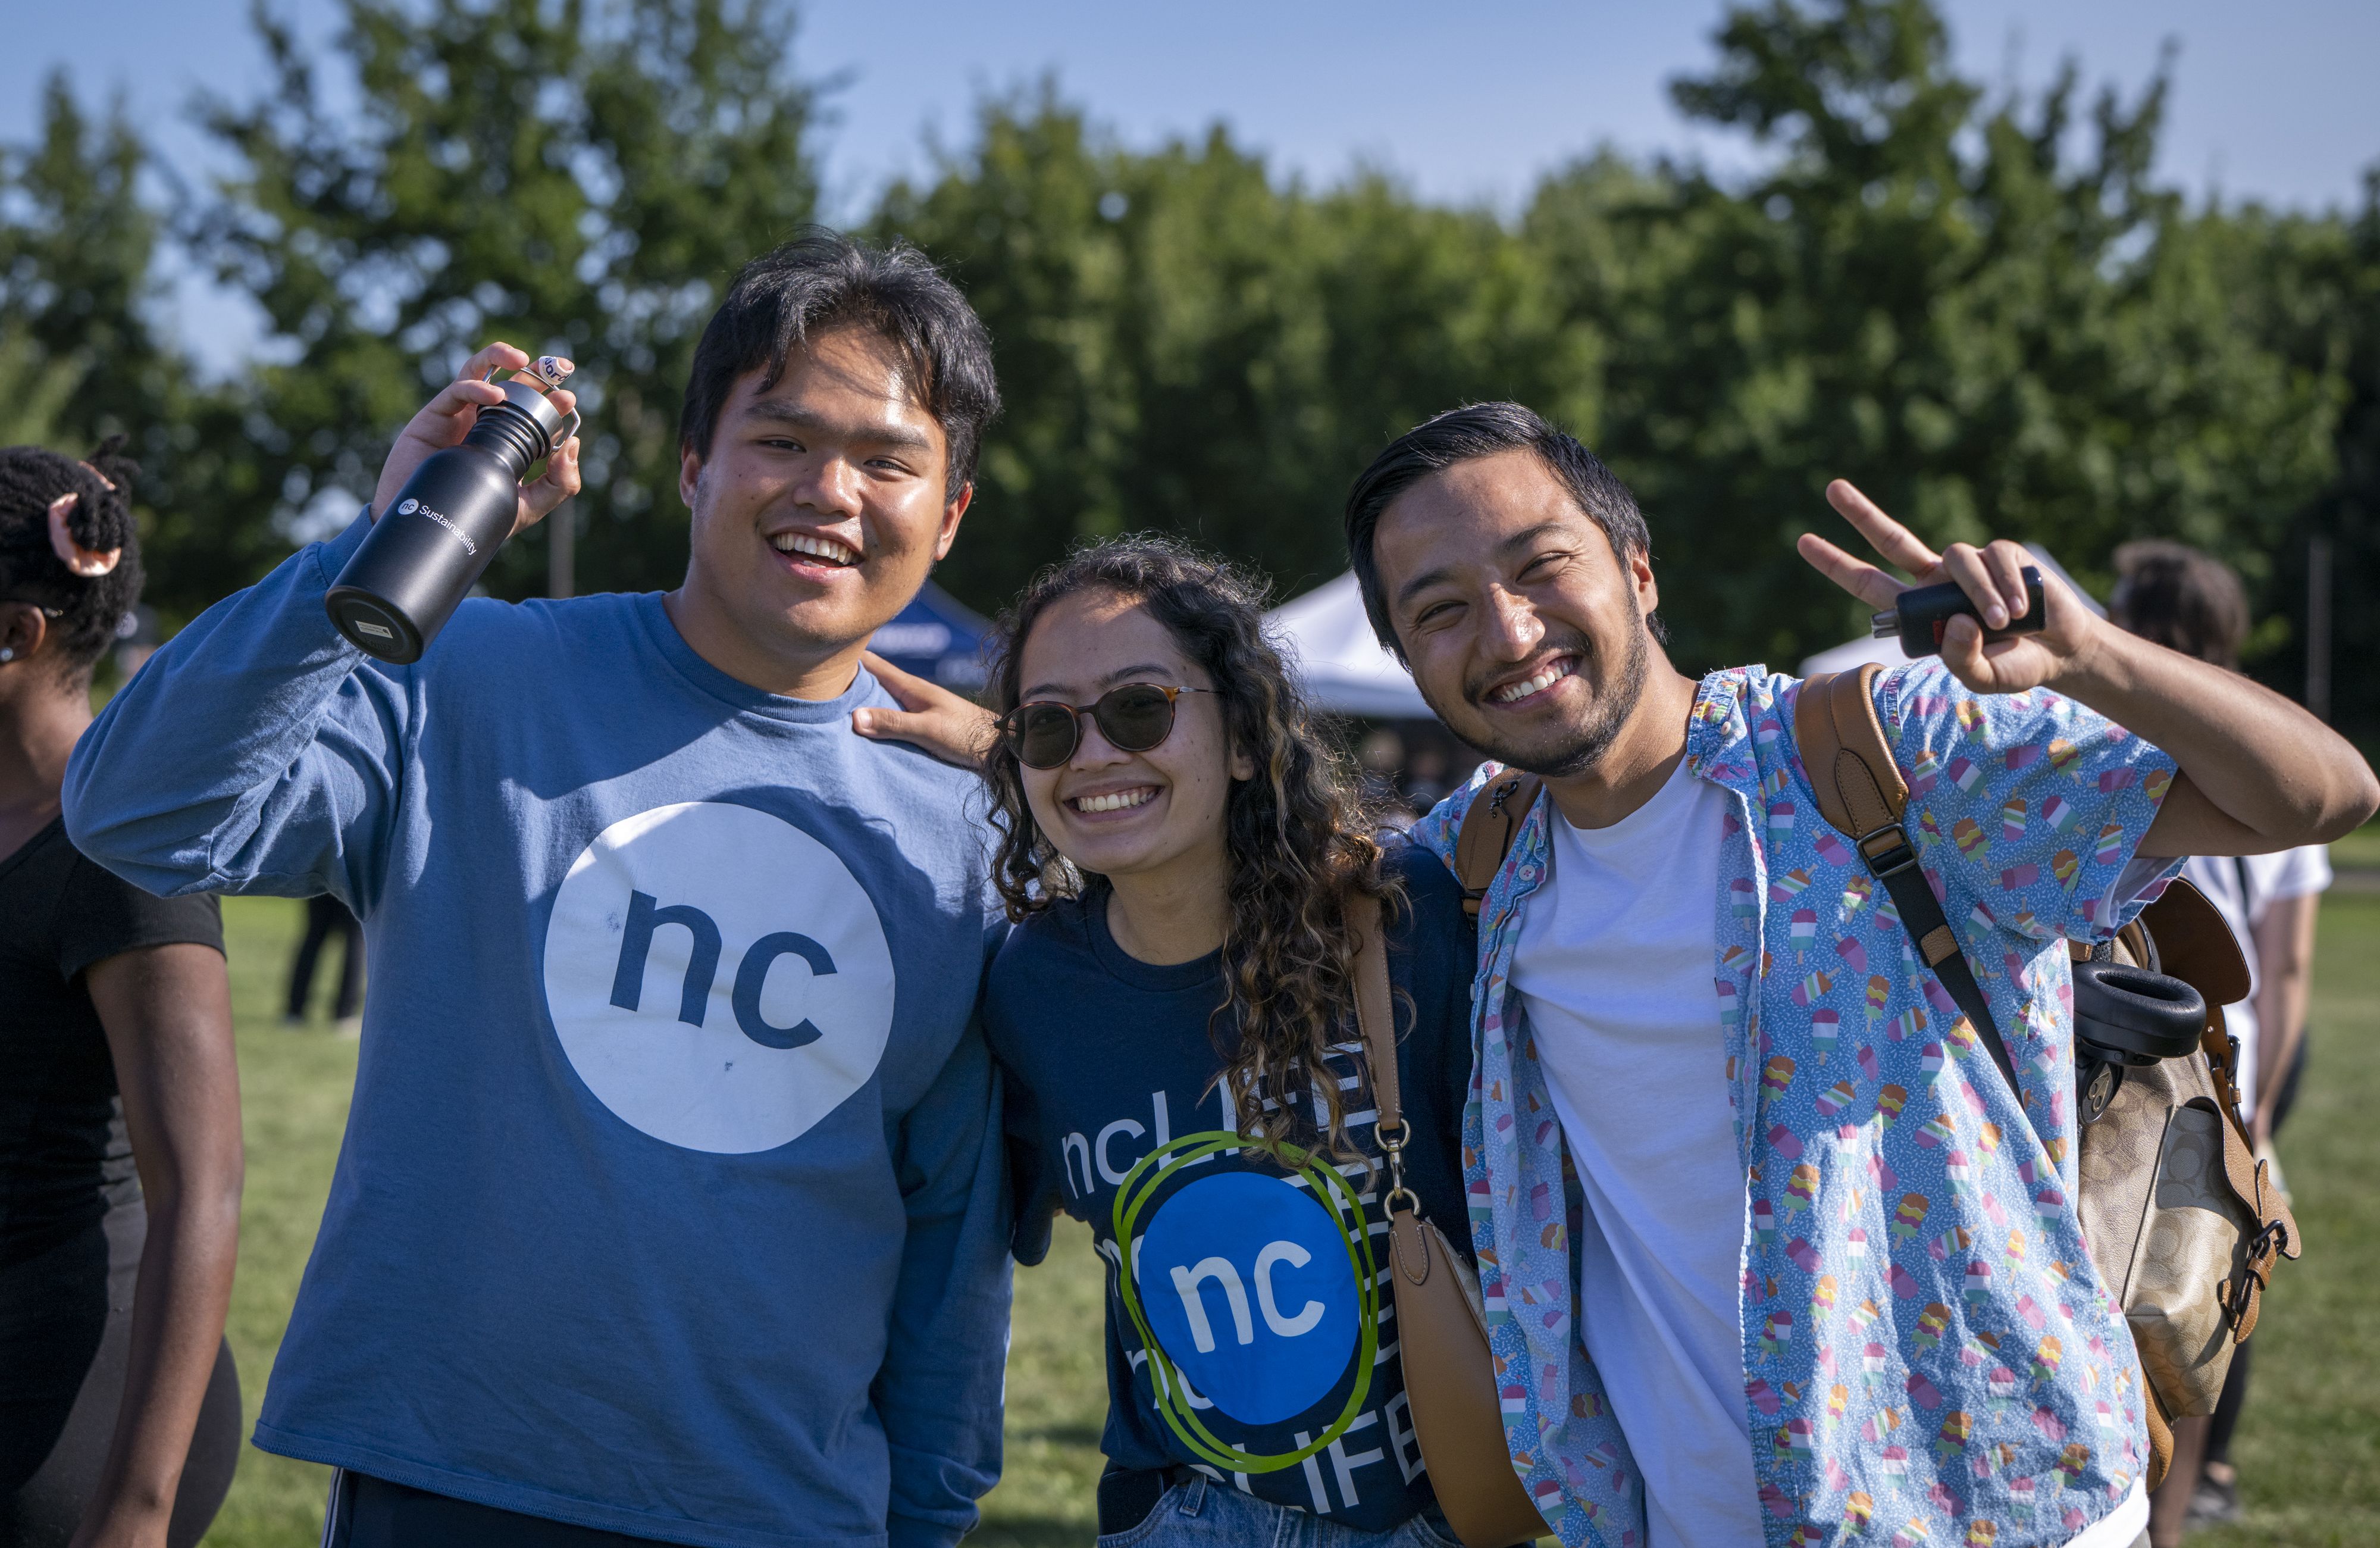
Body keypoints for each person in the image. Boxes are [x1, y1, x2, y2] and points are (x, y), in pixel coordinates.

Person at [64, 233, 1016, 1548]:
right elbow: (140, 813)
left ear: (951, 509)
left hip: (781, 1509)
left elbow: (948, 1224)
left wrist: (925, 1513)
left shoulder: (967, 824)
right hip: (446, 1479)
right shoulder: (469, 676)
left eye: (887, 460)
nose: (830, 493)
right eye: (782, 441)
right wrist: (382, 535)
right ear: (695, 465)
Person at [1337, 402, 2378, 1548]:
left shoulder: (1886, 754)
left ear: (1637, 569)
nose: (1507, 627)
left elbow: (2319, 792)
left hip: (2003, 1515)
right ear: (1406, 655)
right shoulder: (1473, 867)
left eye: (1541, 564)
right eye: (1438, 610)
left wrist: (2094, 657)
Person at [969, 537, 1479, 1544]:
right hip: (1185, 1515)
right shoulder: (1029, 988)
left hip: (1435, 1514)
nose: (1096, 753)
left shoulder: (1407, 915)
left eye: (1139, 708)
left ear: (1246, 734)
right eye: (1048, 727)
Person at [2, 443, 242, 1548]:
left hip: (74, 1394)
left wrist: (134, 1513)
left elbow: (203, 1187)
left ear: (17, 634)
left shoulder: (123, 843)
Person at [2105, 539, 2334, 1538]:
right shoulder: (2265, 737)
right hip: (2225, 1050)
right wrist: (2262, 1106)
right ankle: (2180, 1500)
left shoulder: (2111, 728)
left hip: (2139, 1048)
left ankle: (2156, 1500)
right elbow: (2284, 969)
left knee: (2142, 1279)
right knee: (2203, 1289)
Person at [282, 895, 363, 1031]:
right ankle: (345, 1013)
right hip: (355, 883)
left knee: (314, 938)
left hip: (323, 880)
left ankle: (294, 1011)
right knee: (354, 942)